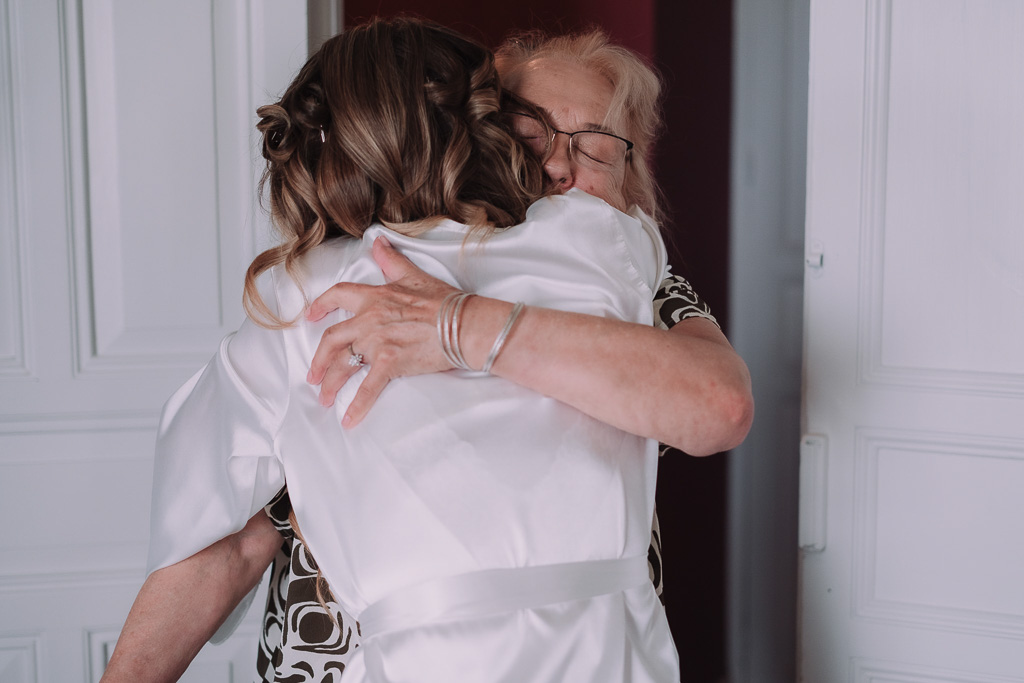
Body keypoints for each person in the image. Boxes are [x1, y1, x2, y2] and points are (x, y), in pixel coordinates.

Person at [101, 23, 752, 683]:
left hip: (599, 647)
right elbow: (231, 540)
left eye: (598, 147)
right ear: (475, 135)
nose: (559, 165)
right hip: (338, 649)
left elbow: (717, 402)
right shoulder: (330, 283)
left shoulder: (632, 268)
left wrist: (457, 324)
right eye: (531, 134)